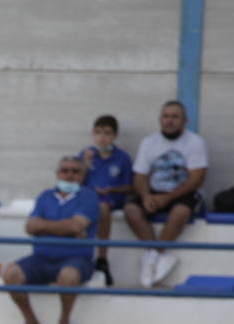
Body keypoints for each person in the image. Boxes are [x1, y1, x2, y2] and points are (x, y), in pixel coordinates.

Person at [3, 155, 100, 324]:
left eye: (75, 171)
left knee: (69, 276)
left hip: (76, 259)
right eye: (65, 170)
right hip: (41, 259)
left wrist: (44, 227)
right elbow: (30, 227)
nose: (69, 175)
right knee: (10, 274)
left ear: (83, 175)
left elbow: (76, 226)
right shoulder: (45, 196)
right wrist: (66, 228)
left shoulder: (89, 197)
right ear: (57, 173)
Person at [123, 100, 207, 287]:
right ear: (160, 119)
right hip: (154, 190)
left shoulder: (195, 142)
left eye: (175, 117)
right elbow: (139, 176)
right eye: (166, 116)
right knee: (130, 210)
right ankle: (156, 254)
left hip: (184, 192)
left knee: (180, 212)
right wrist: (146, 196)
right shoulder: (149, 142)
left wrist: (167, 198)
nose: (169, 121)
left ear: (185, 121)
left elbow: (197, 179)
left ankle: (154, 255)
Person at [80, 115, 133, 285]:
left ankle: (102, 259)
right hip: (88, 199)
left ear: (115, 136)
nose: (102, 137)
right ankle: (80, 258)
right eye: (98, 133)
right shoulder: (86, 154)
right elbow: (75, 183)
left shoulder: (122, 158)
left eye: (107, 133)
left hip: (110, 200)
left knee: (102, 207)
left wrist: (111, 189)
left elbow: (130, 187)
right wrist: (85, 165)